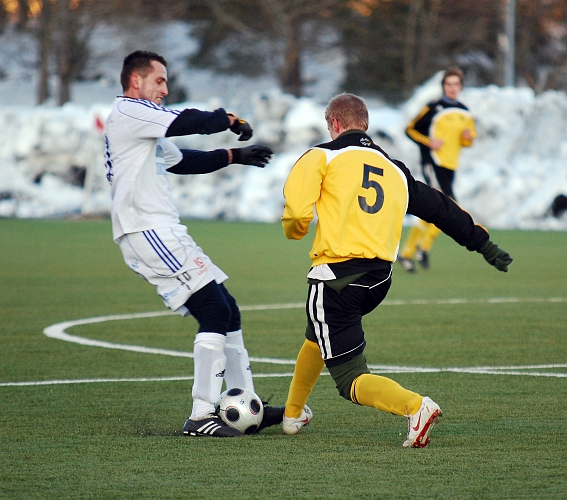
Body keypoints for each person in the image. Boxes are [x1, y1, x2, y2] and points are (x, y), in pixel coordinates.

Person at [280, 93, 512, 447]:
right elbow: (441, 209)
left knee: (350, 379)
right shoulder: (396, 170)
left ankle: (415, 407)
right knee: (318, 334)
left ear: (335, 124)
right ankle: (292, 414)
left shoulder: (321, 155)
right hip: (378, 280)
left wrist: (295, 231)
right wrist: (483, 244)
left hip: (338, 278)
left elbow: (297, 215)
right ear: (366, 124)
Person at [105, 50, 282, 437]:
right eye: (159, 81)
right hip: (146, 229)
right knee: (214, 311)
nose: (165, 89)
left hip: (160, 229)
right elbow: (190, 122)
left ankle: (244, 405)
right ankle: (201, 415)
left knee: (228, 310)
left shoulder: (143, 123)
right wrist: (228, 119)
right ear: (136, 82)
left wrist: (234, 155)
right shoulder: (131, 112)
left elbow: (183, 160)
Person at [398, 66, 476, 272]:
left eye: (456, 84)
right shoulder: (433, 108)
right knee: (450, 207)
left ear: (461, 87)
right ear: (443, 86)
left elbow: (468, 139)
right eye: (448, 84)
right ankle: (423, 248)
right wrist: (429, 142)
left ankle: (407, 253)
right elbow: (410, 129)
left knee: (436, 210)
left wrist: (467, 139)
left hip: (450, 166)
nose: (452, 88)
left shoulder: (465, 112)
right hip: (432, 163)